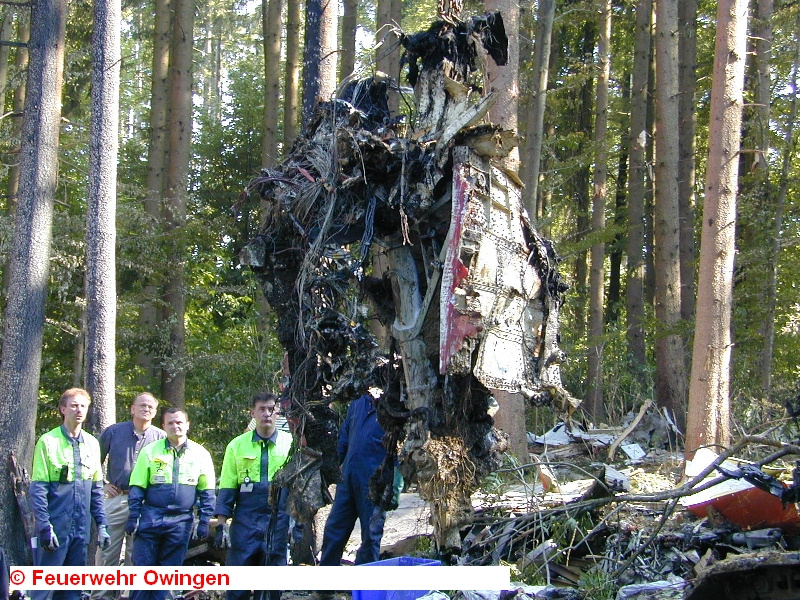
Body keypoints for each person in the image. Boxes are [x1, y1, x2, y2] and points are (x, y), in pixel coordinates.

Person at [126, 407, 215, 600]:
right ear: (163, 426)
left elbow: (207, 491)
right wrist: (133, 516)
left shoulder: (200, 454)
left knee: (168, 574)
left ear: (187, 425)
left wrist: (205, 521)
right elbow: (137, 486)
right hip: (151, 517)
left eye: (179, 422)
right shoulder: (150, 451)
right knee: (143, 571)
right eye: (171, 423)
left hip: (181, 521)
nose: (176, 426)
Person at [30, 388, 110, 600]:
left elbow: (96, 489)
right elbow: (38, 490)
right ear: (63, 409)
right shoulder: (48, 441)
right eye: (74, 405)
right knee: (44, 588)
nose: (79, 410)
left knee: (72, 589)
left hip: (81, 529)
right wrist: (45, 526)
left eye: (83, 406)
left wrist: (102, 524)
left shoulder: (92, 443)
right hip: (55, 526)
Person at [214, 392, 293, 600]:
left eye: (271, 409)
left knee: (270, 584)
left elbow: (298, 489)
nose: (267, 414)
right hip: (245, 520)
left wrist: (297, 523)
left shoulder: (290, 444)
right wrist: (221, 523)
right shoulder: (237, 445)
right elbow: (228, 485)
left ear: (278, 412)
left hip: (278, 519)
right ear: (253, 413)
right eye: (262, 409)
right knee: (238, 580)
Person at [92, 392, 166, 599]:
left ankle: (131, 595)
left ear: (155, 411)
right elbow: (91, 460)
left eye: (151, 407)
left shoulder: (161, 438)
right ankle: (101, 596)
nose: (146, 409)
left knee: (139, 552)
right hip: (117, 498)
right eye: (142, 405)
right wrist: (102, 484)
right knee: (107, 551)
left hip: (146, 503)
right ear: (132, 409)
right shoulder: (114, 432)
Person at [319, 388, 388, 565]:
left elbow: (399, 446)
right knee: (334, 529)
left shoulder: (392, 404)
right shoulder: (358, 402)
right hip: (347, 478)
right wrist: (330, 471)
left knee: (371, 535)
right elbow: (344, 437)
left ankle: (363, 589)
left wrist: (394, 483)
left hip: (374, 481)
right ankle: (324, 589)